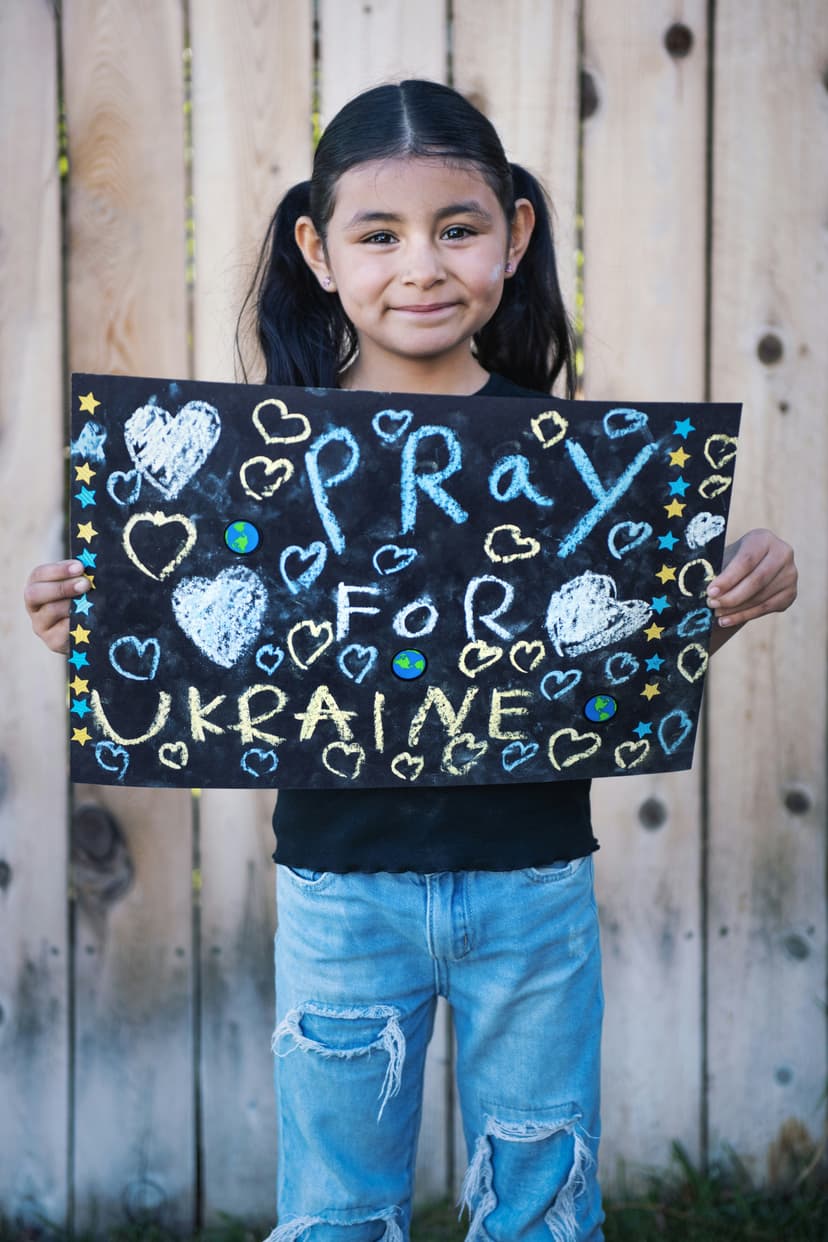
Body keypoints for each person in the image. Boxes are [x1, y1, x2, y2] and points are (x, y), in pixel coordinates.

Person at [24, 80, 797, 1242]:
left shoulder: (578, 462)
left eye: (459, 228)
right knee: (336, 1210)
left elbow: (620, 648)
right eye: (378, 235)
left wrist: (733, 592)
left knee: (541, 1212)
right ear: (318, 252)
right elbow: (190, 648)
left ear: (514, 237)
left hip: (533, 879)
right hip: (340, 887)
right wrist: (85, 623)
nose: (421, 266)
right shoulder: (259, 464)